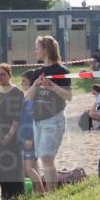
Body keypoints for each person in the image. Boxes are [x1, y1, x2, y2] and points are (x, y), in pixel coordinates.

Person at [26, 36, 72, 191]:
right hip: (37, 120)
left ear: (46, 49)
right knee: (43, 158)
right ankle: (50, 193)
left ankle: (52, 194)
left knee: (46, 157)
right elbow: (29, 96)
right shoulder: (37, 72)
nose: (35, 50)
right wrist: (36, 85)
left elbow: (68, 96)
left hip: (54, 119)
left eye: (37, 47)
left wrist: (52, 86)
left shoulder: (61, 70)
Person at [0, 64, 25, 200]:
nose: (0, 77)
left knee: (13, 168)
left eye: (3, 74)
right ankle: (6, 198)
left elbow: (17, 118)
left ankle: (17, 197)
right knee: (0, 169)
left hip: (12, 136)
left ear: (9, 75)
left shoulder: (16, 92)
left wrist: (10, 135)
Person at [18, 71, 45, 195]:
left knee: (28, 168)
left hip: (30, 138)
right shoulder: (29, 98)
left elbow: (36, 122)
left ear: (31, 81)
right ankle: (38, 191)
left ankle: (40, 193)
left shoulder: (35, 100)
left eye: (24, 81)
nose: (22, 83)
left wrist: (32, 138)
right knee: (33, 166)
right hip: (26, 137)